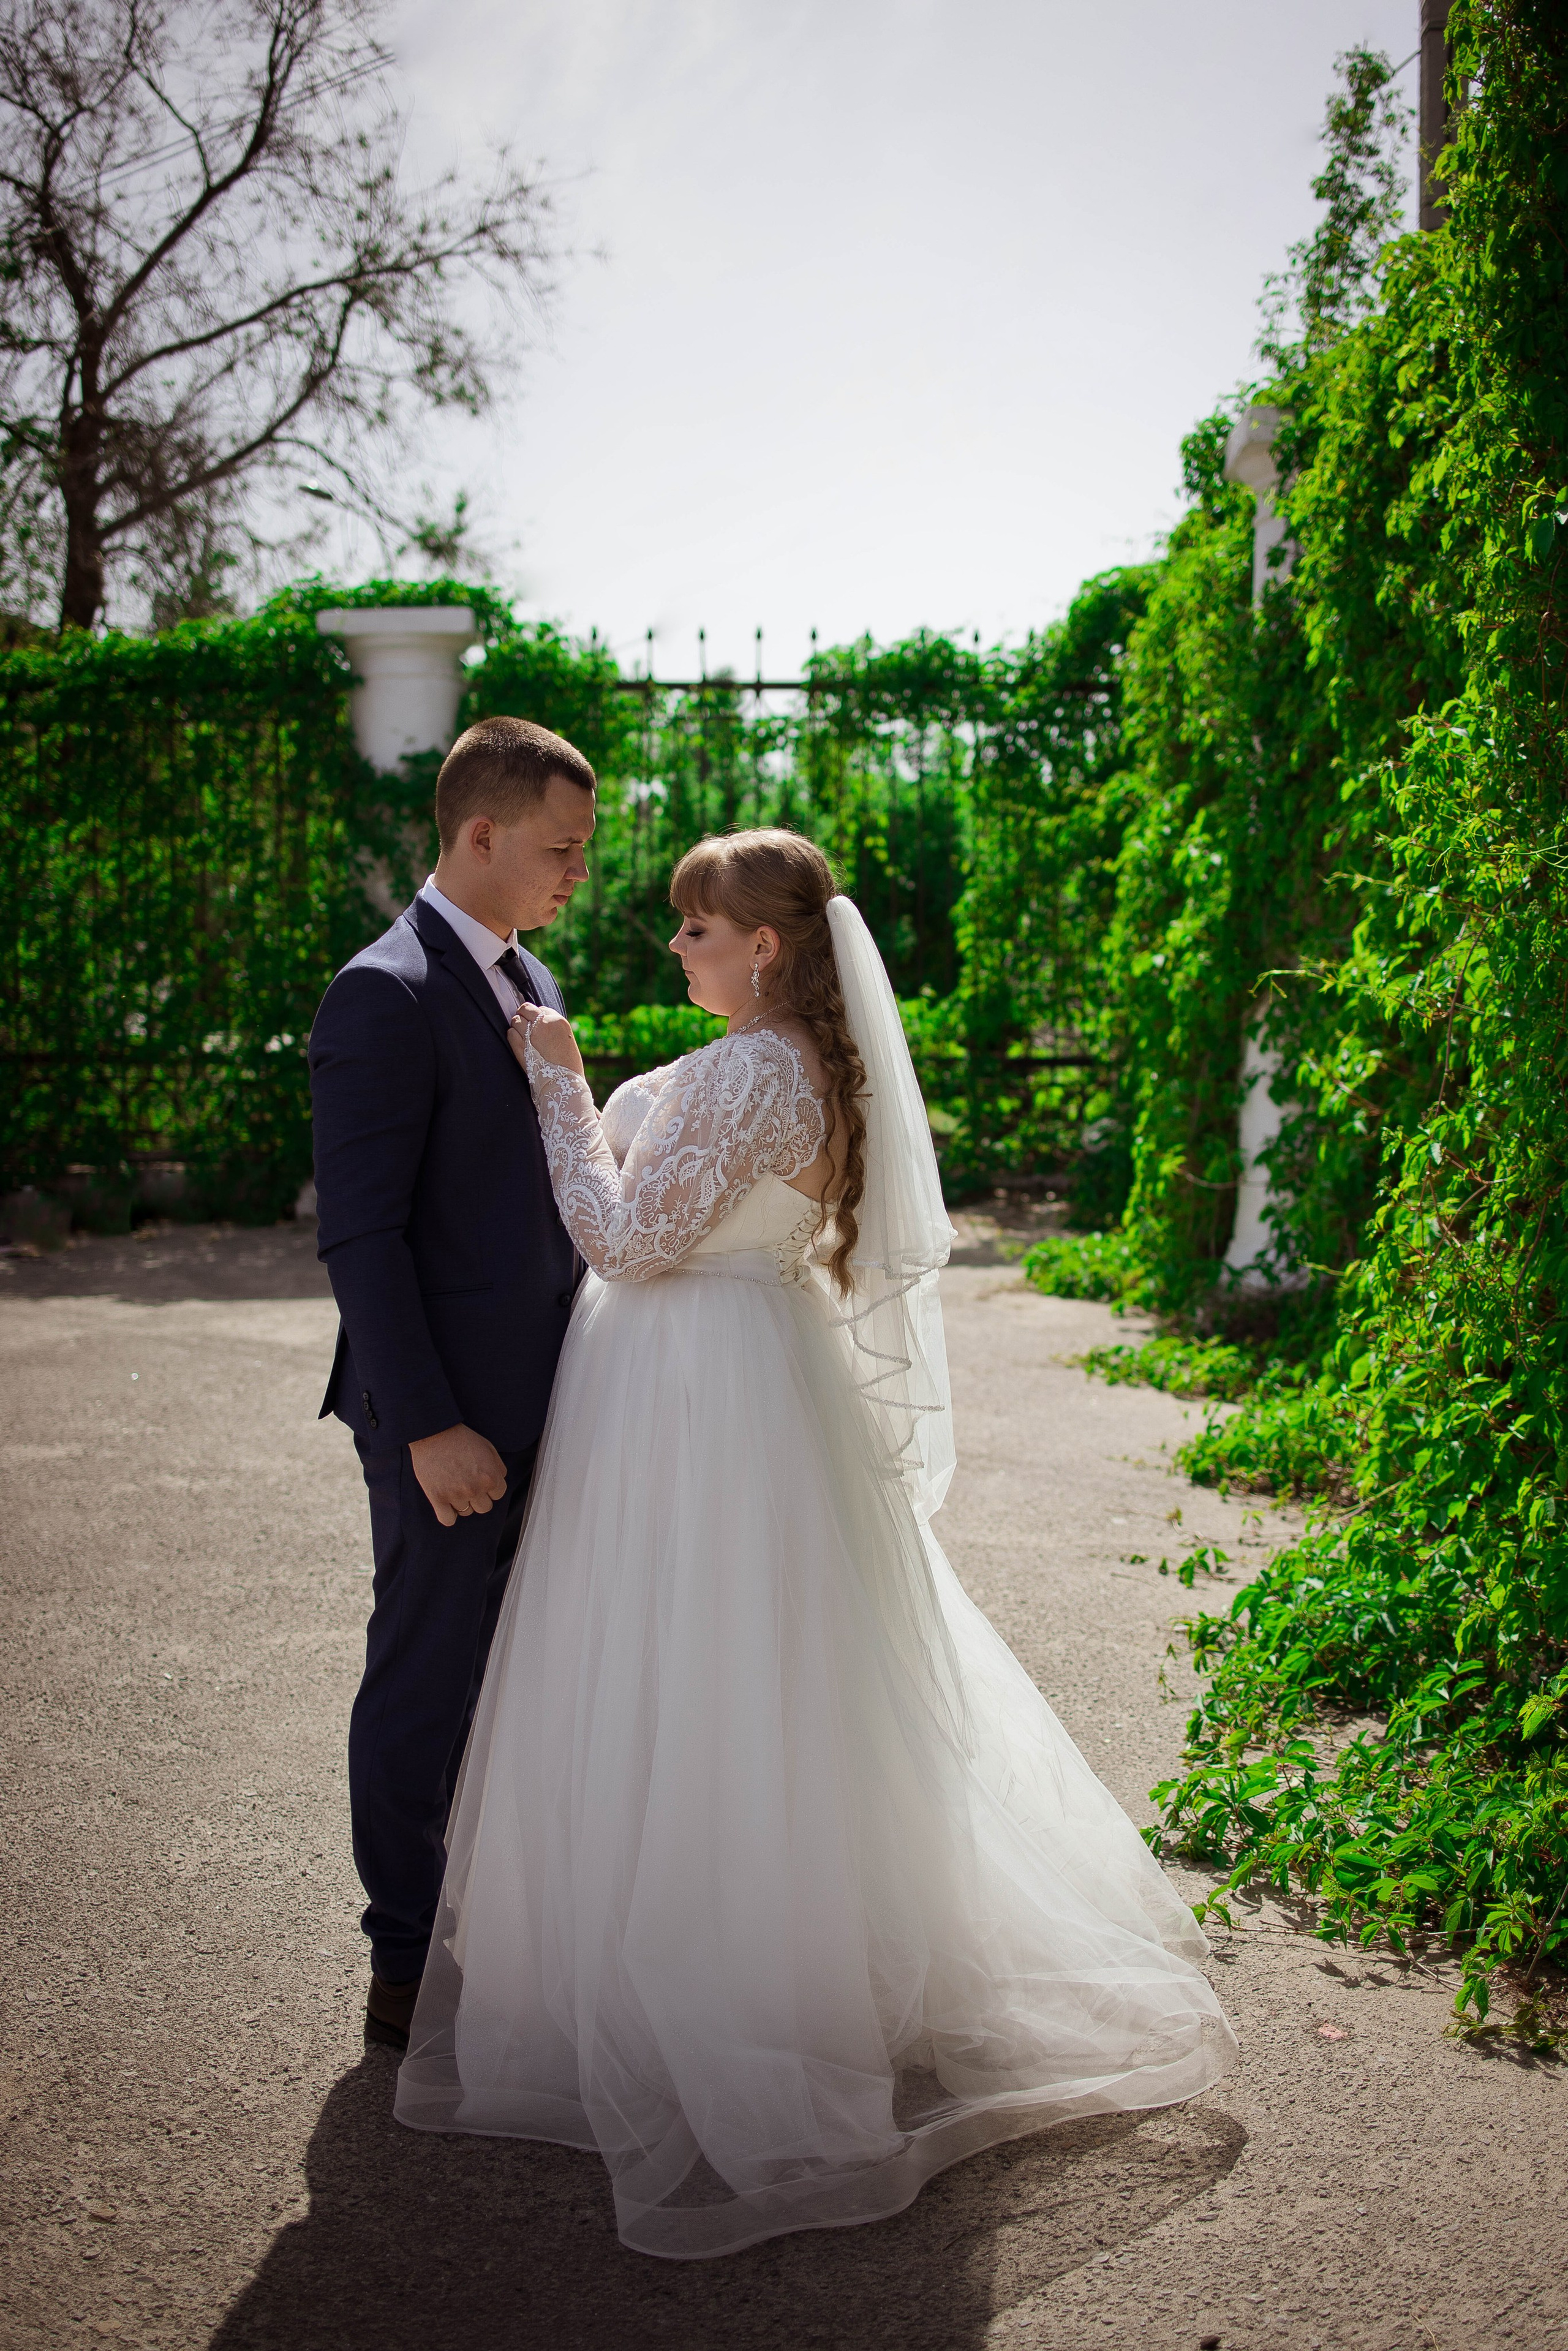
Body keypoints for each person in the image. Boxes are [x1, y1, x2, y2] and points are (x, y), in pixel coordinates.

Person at [394, 828, 1237, 2259]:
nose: (678, 946)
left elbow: (618, 1236)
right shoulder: (808, 1072)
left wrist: (559, 1084)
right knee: (777, 1672)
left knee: (680, 1662)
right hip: (760, 1375)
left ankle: (696, 1991)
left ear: (765, 945)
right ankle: (788, 1963)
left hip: (686, 1392)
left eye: (697, 929)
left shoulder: (743, 1071)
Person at [307, 714, 597, 2051]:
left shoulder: (526, 973)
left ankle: (499, 1928)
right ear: (478, 835)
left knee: (518, 1676)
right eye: (559, 848)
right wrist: (428, 1423)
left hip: (548, 1399)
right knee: (425, 1672)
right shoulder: (383, 990)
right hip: (444, 1418)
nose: (574, 873)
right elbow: (359, 1232)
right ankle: (405, 1959)